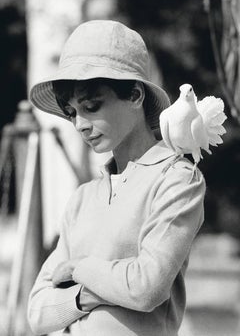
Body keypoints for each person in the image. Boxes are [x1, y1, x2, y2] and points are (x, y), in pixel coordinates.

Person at [28, 20, 205, 336]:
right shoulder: (83, 197)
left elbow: (147, 287)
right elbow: (38, 311)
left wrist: (77, 268)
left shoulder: (177, 179)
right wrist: (88, 293)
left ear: (135, 95)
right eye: (71, 113)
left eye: (92, 106)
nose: (80, 124)